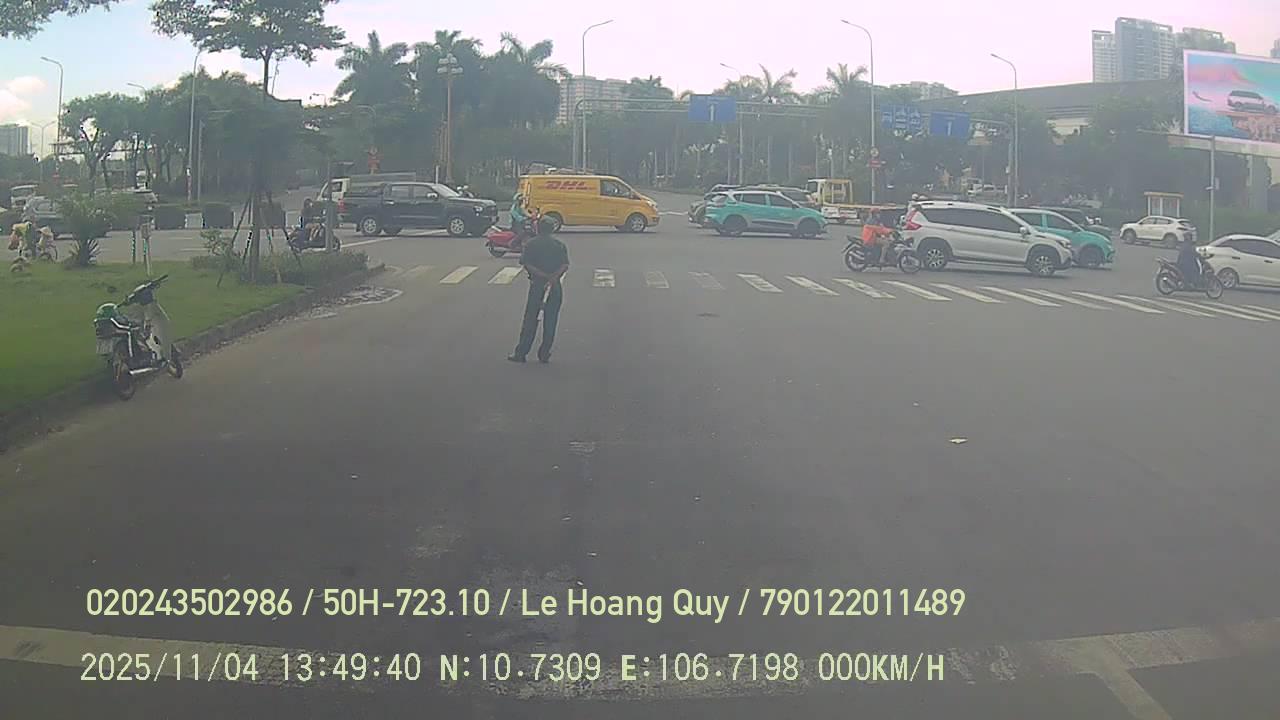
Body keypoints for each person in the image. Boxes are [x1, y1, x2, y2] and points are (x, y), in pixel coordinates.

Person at [509, 216, 569, 364]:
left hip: (537, 285)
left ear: (538, 228)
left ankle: (521, 353)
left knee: (530, 320)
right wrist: (553, 277)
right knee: (550, 321)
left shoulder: (531, 244)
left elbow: (527, 264)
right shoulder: (559, 245)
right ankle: (544, 353)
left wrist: (543, 275)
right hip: (554, 287)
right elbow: (565, 265)